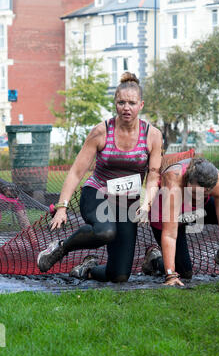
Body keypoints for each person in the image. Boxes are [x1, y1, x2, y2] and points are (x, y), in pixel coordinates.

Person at [37, 72, 162, 282]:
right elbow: (77, 171)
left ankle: (88, 267)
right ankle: (60, 248)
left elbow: (153, 175)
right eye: (121, 102)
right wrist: (62, 207)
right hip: (97, 194)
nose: (126, 107)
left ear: (141, 105)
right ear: (115, 103)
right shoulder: (101, 131)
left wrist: (147, 204)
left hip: (126, 203)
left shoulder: (153, 135)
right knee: (105, 231)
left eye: (131, 103)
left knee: (119, 275)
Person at [142, 157, 219, 286]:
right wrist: (170, 275)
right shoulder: (173, 178)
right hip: (164, 211)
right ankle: (154, 259)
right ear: (187, 181)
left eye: (204, 194)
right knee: (184, 273)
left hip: (194, 210)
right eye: (194, 192)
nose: (198, 197)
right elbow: (170, 234)